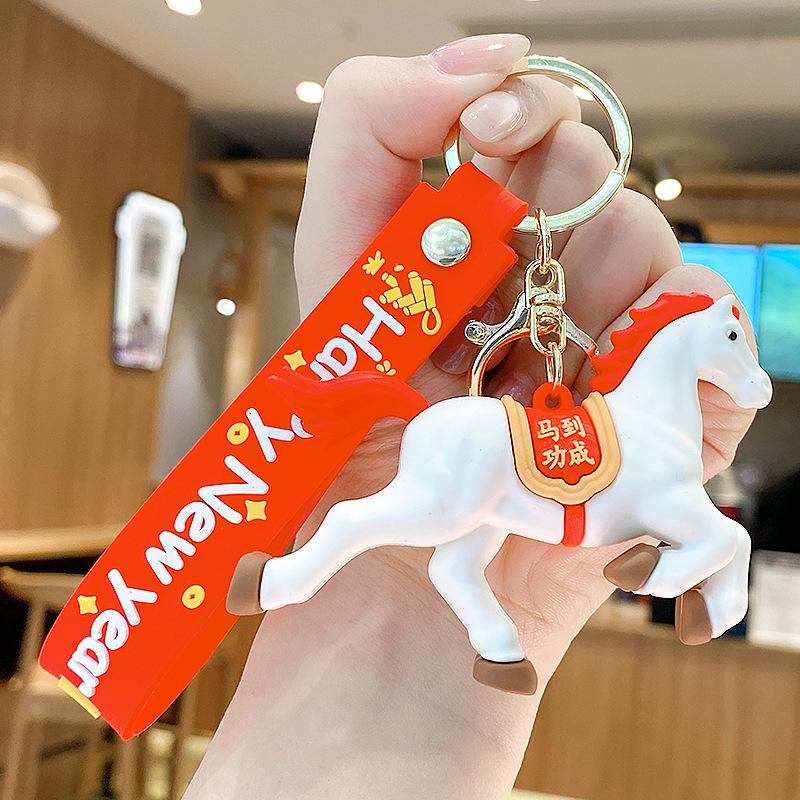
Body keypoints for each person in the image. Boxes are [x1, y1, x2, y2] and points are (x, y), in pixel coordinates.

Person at [184, 34, 758, 799]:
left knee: (458, 555)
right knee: (718, 537)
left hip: (435, 701)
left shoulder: (648, 432)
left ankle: (483, 630)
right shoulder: (651, 450)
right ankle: (288, 578)